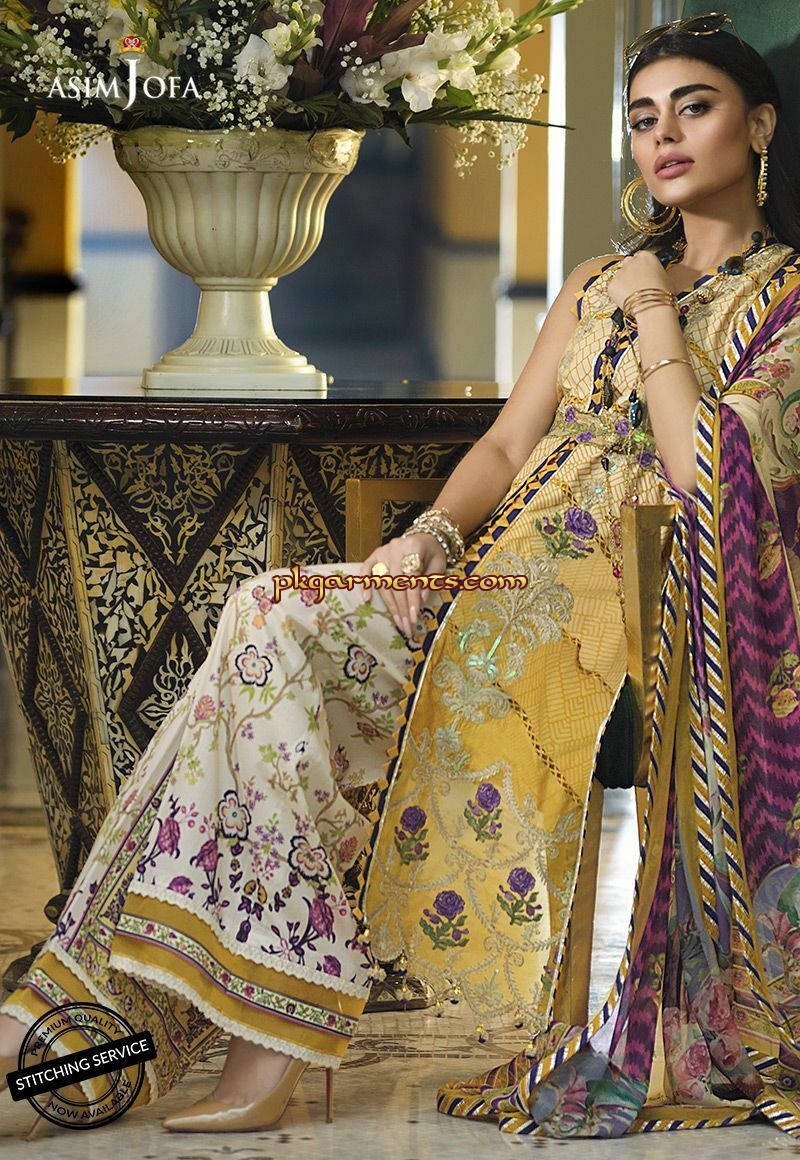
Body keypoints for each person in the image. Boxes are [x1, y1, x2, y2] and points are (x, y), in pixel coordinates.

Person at [3, 8, 800, 1142]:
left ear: (757, 125)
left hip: (632, 608)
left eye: (693, 108)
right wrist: (428, 535)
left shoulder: (782, 304)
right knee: (268, 639)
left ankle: (130, 1030)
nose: (661, 136)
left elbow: (700, 470)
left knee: (264, 646)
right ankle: (150, 1019)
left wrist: (656, 311)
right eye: (640, 118)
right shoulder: (593, 279)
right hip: (498, 579)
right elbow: (505, 445)